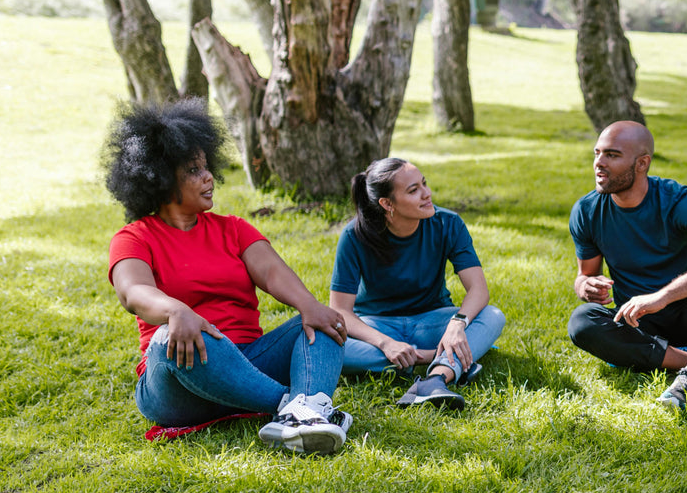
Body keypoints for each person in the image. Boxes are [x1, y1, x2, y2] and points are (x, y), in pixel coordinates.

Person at [105, 99, 353, 454]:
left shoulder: (233, 229)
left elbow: (270, 271)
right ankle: (298, 409)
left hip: (250, 362)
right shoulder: (134, 237)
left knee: (321, 322)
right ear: (159, 177)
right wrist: (176, 311)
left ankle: (303, 411)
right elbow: (133, 291)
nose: (208, 177)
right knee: (174, 336)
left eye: (207, 167)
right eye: (193, 170)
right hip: (179, 385)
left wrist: (308, 305)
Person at [567, 121, 687, 413]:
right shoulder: (587, 211)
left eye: (612, 155)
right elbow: (585, 275)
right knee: (582, 321)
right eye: (597, 153)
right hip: (638, 323)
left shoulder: (676, 200)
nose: (599, 163)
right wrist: (585, 286)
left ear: (642, 163)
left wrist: (660, 297)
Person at [330, 157, 506, 410]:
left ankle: (433, 380)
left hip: (433, 322)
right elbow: (341, 312)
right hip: (377, 327)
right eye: (414, 190)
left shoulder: (448, 223)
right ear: (387, 203)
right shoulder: (354, 235)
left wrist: (457, 325)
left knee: (493, 316)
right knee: (327, 344)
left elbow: (478, 289)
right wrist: (385, 343)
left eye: (424, 184)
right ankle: (445, 359)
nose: (427, 194)